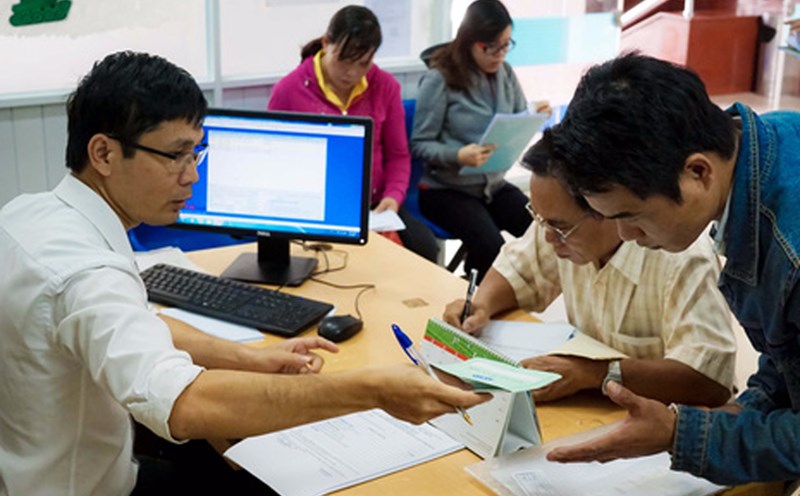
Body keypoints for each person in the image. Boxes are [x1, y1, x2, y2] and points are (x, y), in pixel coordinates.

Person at [0, 51, 487, 496]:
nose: (192, 175)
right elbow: (185, 405)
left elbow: (131, 324)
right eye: (176, 155)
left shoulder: (31, 215)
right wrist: (373, 390)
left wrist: (248, 358)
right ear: (103, 153)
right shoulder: (88, 273)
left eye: (197, 152)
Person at [542, 52, 800, 486]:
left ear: (697, 172)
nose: (625, 235)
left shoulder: (790, 246)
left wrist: (681, 434)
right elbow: (787, 355)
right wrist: (736, 418)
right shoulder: (763, 148)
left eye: (633, 215)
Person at [442, 136, 735, 406]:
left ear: (606, 208)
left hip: (664, 428)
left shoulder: (682, 257)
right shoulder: (560, 227)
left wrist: (595, 374)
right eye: (539, 219)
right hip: (594, 410)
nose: (547, 237)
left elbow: (710, 381)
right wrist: (482, 304)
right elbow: (519, 272)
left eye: (559, 227)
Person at [267, 5, 439, 263]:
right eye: (343, 60)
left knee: (424, 248)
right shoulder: (290, 89)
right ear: (326, 44)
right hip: (315, 207)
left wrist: (393, 197)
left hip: (374, 207)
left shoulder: (385, 87)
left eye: (363, 63)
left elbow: (398, 155)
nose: (352, 72)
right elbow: (275, 159)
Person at [410, 0, 551, 281]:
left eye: (506, 44)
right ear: (470, 42)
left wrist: (534, 114)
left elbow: (516, 118)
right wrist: (458, 155)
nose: (500, 55)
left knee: (542, 230)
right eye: (491, 47)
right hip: (446, 190)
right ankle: (471, 298)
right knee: (491, 248)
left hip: (492, 185)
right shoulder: (440, 78)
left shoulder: (505, 73)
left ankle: (499, 295)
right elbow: (420, 144)